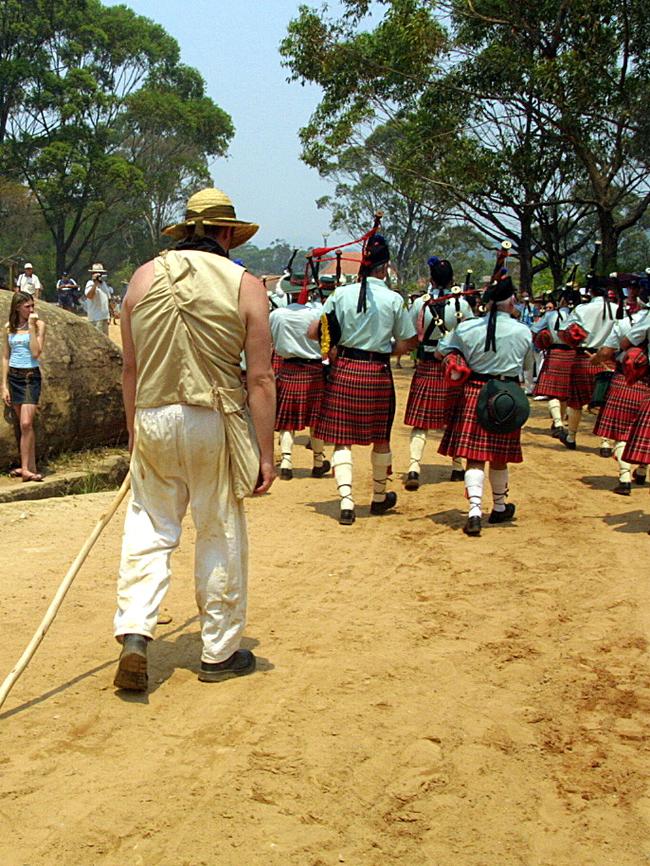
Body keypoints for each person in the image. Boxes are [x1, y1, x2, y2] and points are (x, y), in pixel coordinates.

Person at [113, 186, 276, 692]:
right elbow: (261, 379)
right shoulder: (245, 284)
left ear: (185, 231)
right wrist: (266, 455)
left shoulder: (142, 278)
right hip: (213, 421)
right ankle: (218, 652)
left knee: (149, 527)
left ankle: (137, 631)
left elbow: (130, 370)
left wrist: (134, 434)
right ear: (226, 233)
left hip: (154, 416)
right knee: (218, 530)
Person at [309, 234, 417, 525]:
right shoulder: (394, 299)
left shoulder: (340, 295)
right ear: (385, 268)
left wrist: (335, 348)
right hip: (378, 372)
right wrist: (385, 350)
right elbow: (409, 342)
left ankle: (346, 503)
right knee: (380, 438)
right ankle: (379, 499)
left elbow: (313, 331)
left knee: (342, 440)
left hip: (345, 370)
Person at [437, 276, 533, 537]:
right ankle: (499, 506)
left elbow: (441, 351)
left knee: (475, 457)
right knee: (499, 457)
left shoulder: (467, 328)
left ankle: (474, 512)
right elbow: (526, 369)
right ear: (512, 301)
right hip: (509, 394)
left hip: (475, 392)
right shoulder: (523, 331)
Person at [403, 256, 474, 490]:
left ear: (431, 279)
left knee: (420, 422)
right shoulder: (461, 305)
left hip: (426, 365)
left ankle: (414, 466)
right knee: (456, 417)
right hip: (452, 367)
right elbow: (470, 333)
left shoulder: (420, 304)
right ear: (452, 278)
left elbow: (412, 332)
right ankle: (456, 467)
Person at [591, 283, 649, 494]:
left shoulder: (625, 324)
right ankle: (642, 471)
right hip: (647, 385)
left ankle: (625, 478)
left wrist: (596, 359)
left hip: (627, 380)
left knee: (622, 432)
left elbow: (607, 352)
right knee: (645, 432)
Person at [270, 302, 330, 480]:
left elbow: (271, 340)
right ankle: (318, 463)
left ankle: (287, 463)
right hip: (314, 371)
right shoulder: (318, 313)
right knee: (316, 421)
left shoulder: (276, 315)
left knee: (287, 421)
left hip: (288, 369)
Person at [557, 282, 616, 452]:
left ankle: (571, 437)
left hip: (584, 358)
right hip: (609, 359)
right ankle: (605, 444)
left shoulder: (581, 309)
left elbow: (563, 332)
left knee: (575, 401)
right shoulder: (619, 308)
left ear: (590, 292)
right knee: (606, 403)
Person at [2, 291, 46, 481]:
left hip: (30, 377)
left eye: (32, 306)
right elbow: (5, 356)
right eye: (27, 306)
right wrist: (3, 385)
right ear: (17, 307)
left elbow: (36, 353)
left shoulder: (39, 325)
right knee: (24, 427)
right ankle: (29, 466)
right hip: (14, 376)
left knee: (27, 423)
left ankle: (26, 468)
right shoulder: (8, 328)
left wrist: (31, 327)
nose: (31, 310)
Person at [531, 288, 580, 437]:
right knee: (565, 393)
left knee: (552, 392)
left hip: (555, 353)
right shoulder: (578, 316)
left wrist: (542, 340)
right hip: (572, 354)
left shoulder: (551, 314)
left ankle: (558, 422)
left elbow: (534, 329)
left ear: (563, 300)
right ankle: (559, 422)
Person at [84, 263, 114, 335]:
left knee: (105, 340)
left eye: (100, 273)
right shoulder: (90, 283)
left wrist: (111, 313)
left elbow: (108, 299)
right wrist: (95, 284)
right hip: (95, 318)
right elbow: (89, 296)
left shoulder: (104, 284)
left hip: (104, 317)